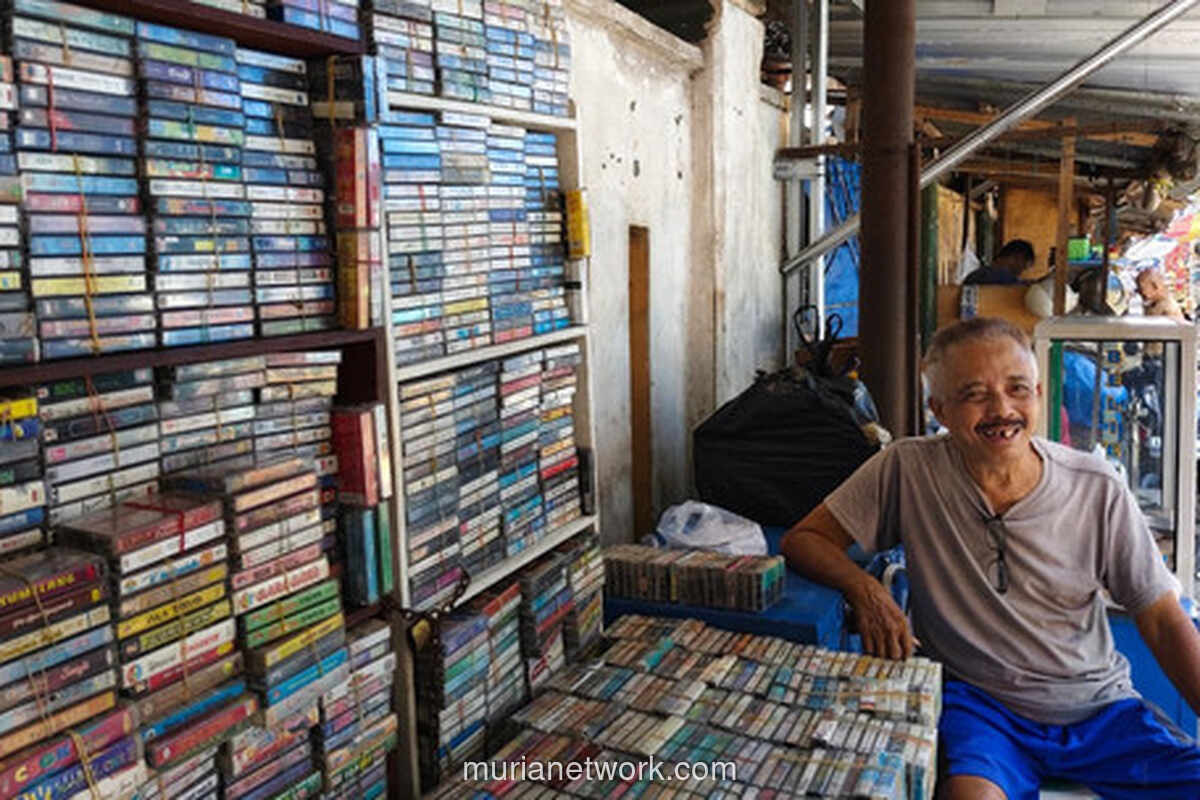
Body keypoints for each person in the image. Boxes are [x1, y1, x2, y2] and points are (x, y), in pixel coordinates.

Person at [780, 317, 1200, 800]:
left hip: (1100, 710)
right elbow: (805, 538)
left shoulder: (1097, 487)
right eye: (974, 395)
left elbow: (1164, 620)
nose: (1002, 409)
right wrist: (866, 588)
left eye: (1017, 388)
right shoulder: (908, 468)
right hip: (982, 709)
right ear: (938, 408)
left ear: (1040, 394)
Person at [963, 239, 1036, 286]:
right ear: (1015, 258)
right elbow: (1014, 285)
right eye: (1021, 268)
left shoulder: (977, 274)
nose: (1020, 274)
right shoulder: (1000, 276)